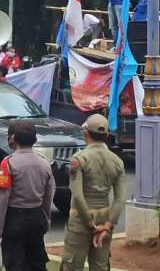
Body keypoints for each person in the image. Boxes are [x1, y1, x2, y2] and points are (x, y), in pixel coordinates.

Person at [60, 114, 126, 271]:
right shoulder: (117, 161)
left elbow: (78, 197)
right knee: (100, 266)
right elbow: (120, 198)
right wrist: (107, 226)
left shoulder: (79, 159)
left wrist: (91, 226)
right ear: (107, 135)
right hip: (104, 221)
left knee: (72, 265)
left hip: (80, 222)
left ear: (85, 133)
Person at [0, 122, 55, 271]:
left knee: (15, 263)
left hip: (15, 220)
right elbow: (48, 196)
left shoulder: (7, 163)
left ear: (12, 138)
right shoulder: (44, 163)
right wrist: (46, 220)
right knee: (37, 262)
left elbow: (3, 198)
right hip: (36, 217)